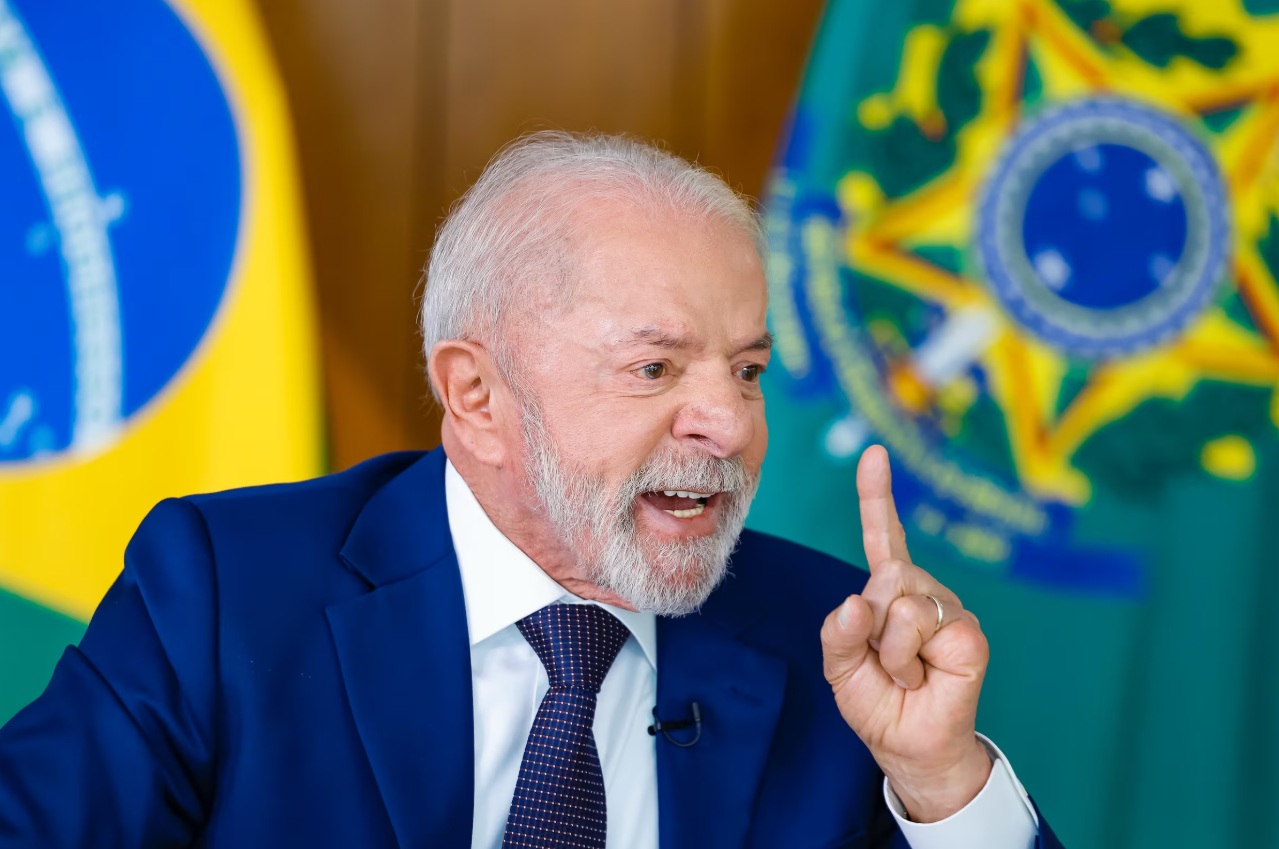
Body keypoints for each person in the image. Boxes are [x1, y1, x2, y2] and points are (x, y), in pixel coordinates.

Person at [0, 132, 1063, 848]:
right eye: (654, 367)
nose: (731, 425)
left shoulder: (833, 639)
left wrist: (942, 782)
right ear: (475, 394)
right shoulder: (225, 593)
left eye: (746, 371)